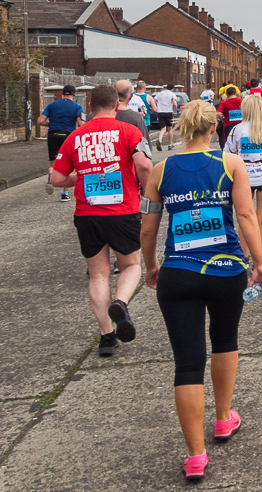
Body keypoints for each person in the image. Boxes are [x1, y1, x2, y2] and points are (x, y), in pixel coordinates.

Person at [140, 100, 262, 481]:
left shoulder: (161, 171)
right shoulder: (231, 165)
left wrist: (151, 265)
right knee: (225, 340)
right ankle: (223, 418)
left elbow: (148, 227)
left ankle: (196, 456)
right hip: (226, 270)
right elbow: (247, 216)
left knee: (187, 362)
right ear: (214, 129)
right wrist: (259, 264)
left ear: (181, 129)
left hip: (178, 274)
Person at [49, 84, 152, 356]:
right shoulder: (130, 132)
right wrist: (145, 190)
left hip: (87, 213)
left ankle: (107, 337)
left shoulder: (75, 136)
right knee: (131, 266)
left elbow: (56, 179)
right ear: (117, 106)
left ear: (90, 107)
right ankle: (121, 301)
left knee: (98, 274)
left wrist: (79, 178)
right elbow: (143, 165)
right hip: (123, 211)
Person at [223, 95, 262, 262]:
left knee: (245, 218)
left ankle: (243, 257)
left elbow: (227, 155)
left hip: (243, 178)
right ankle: (259, 260)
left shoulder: (237, 130)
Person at [38, 84, 85, 202]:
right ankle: (65, 193)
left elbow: (40, 121)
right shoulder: (77, 107)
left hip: (53, 134)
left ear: (61, 93)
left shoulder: (52, 105)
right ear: (74, 95)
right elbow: (81, 123)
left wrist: (51, 124)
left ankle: (51, 175)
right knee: (69, 163)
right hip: (68, 136)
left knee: (54, 162)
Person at [153, 84, 179, 151]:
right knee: (170, 129)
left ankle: (160, 140)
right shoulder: (172, 94)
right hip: (169, 112)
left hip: (160, 112)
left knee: (163, 129)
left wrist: (155, 107)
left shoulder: (159, 94)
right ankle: (170, 144)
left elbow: (154, 100)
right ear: (172, 89)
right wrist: (175, 110)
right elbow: (174, 103)